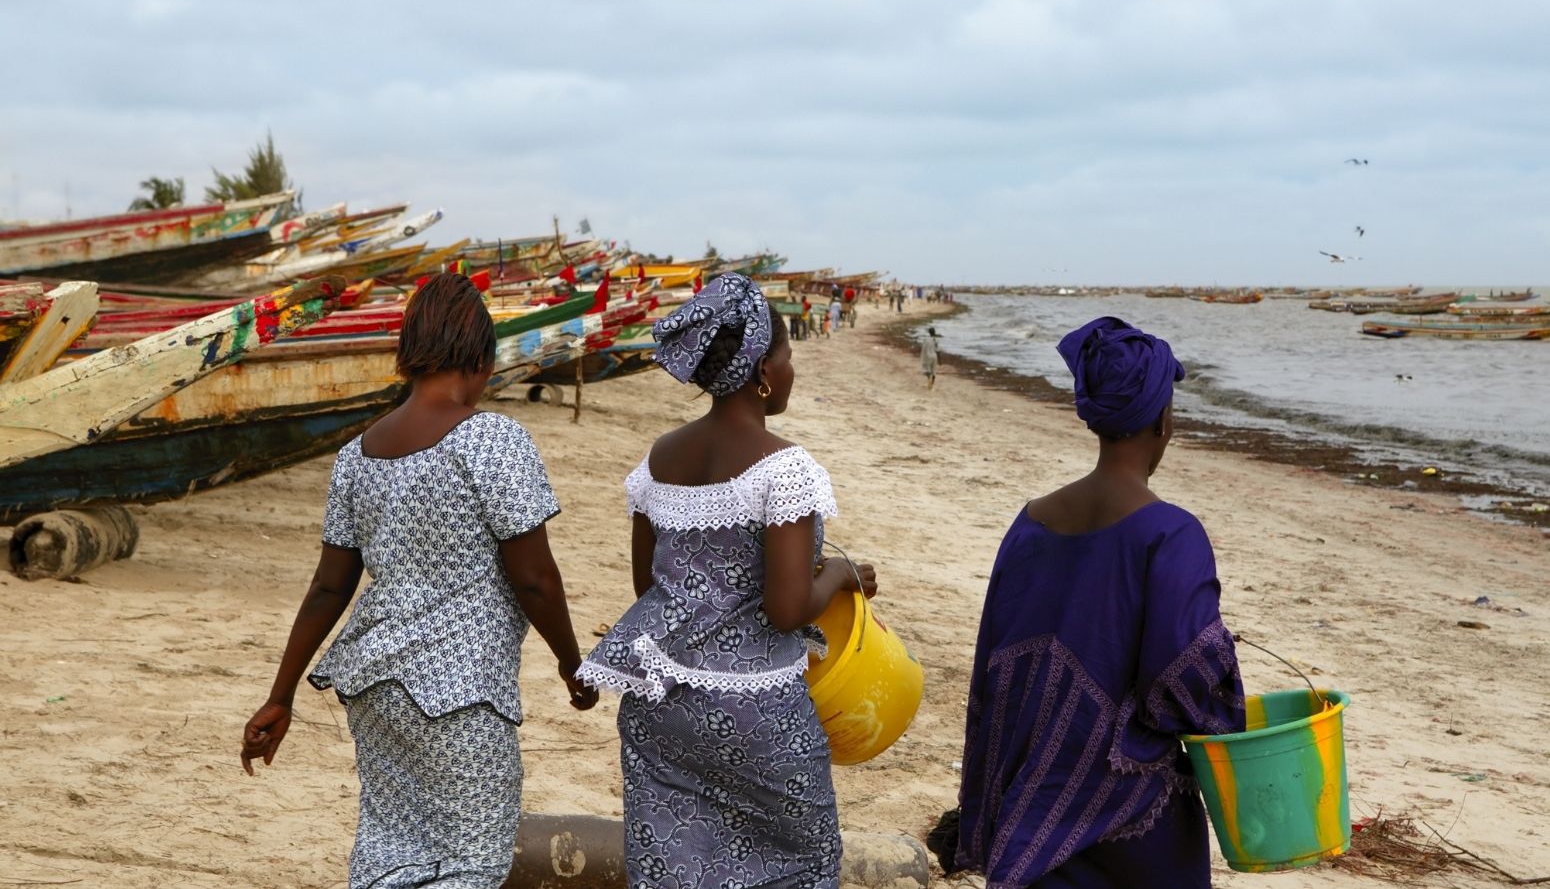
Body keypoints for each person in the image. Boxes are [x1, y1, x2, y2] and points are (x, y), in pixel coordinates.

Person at [239, 273, 598, 888]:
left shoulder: (358, 454)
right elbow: (535, 578)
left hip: (375, 688)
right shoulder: (492, 440)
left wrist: (282, 694)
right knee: (472, 865)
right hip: (461, 695)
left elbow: (329, 588)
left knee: (391, 853)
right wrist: (571, 664)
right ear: (481, 357)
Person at [577, 274, 877, 889]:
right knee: (807, 862)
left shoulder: (659, 459)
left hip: (660, 705)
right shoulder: (785, 468)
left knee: (676, 865)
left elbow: (653, 587)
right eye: (788, 356)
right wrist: (842, 574)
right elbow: (789, 607)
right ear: (763, 369)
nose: (792, 370)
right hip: (755, 710)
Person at [948, 316, 1244, 887]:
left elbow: (995, 670)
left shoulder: (1029, 524)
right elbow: (1185, 687)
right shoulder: (1171, 535)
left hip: (1030, 805)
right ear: (1163, 420)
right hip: (1128, 822)